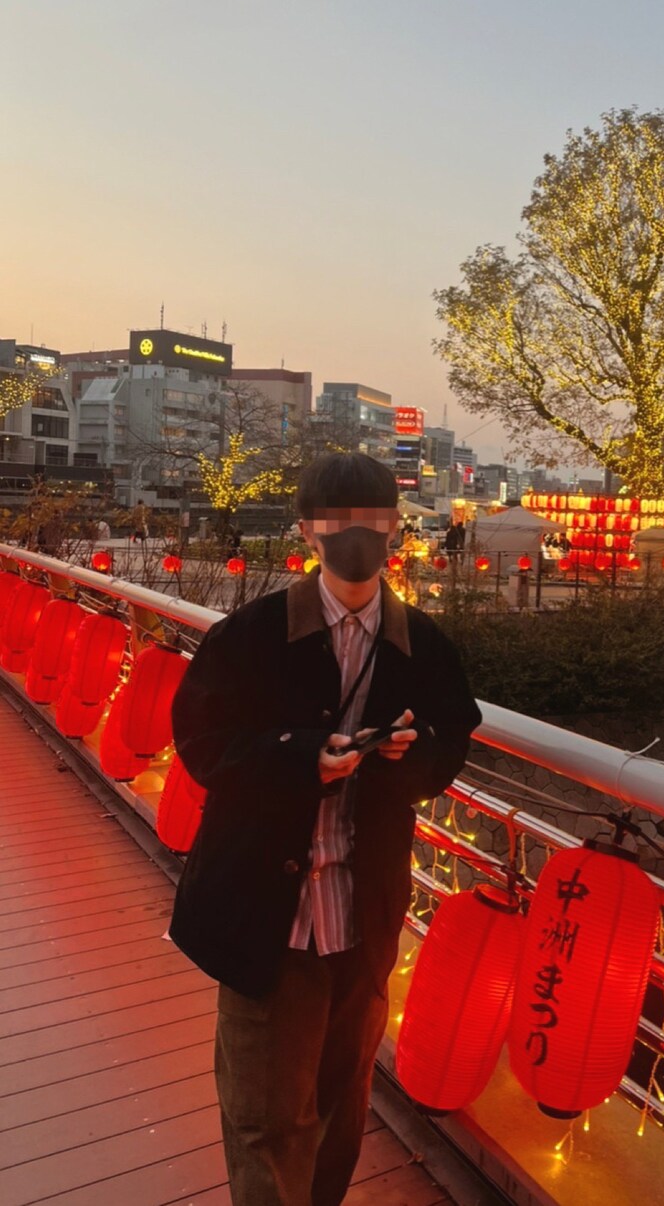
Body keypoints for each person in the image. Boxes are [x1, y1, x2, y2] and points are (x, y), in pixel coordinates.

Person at [169, 453, 481, 1206]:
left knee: (341, 1112)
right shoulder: (250, 636)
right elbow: (203, 743)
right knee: (265, 1120)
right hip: (268, 914)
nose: (356, 538)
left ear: (395, 529)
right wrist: (301, 757)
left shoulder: (423, 644)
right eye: (337, 523)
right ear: (307, 531)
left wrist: (407, 756)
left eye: (372, 522)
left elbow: (451, 742)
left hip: (364, 914)